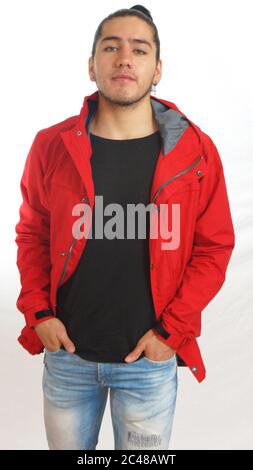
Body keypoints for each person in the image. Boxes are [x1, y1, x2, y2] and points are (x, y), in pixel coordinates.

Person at [15, 5, 235, 450]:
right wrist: (39, 313)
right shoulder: (50, 145)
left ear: (157, 69)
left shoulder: (195, 150)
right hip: (68, 358)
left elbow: (214, 248)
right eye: (110, 47)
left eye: (139, 48)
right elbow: (33, 235)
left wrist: (170, 333)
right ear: (91, 64)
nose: (124, 58)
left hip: (148, 362)